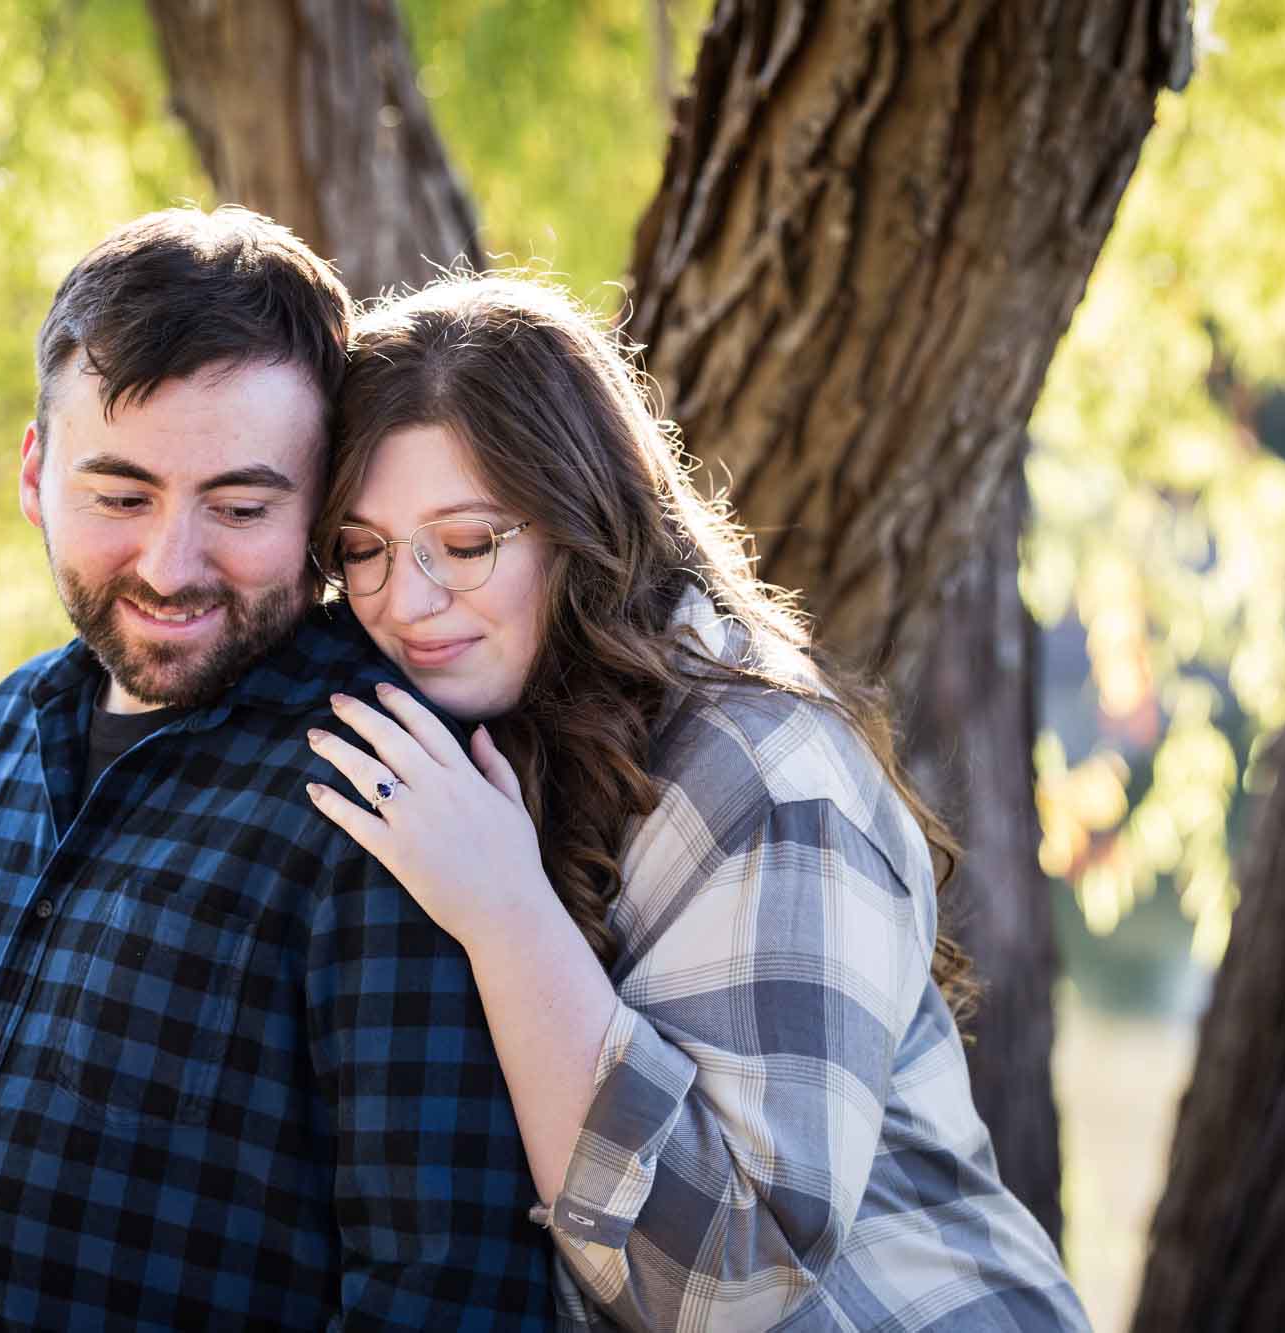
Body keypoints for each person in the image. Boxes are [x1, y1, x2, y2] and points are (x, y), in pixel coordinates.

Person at [304, 273, 1093, 1331]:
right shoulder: (475, 740)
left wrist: (505, 918)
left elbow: (730, 1276)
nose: (406, 599)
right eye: (362, 549)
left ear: (575, 521)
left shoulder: (761, 775)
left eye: (466, 541)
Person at [0, 211, 555, 1331]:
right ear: (35, 474)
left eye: (240, 507)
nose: (170, 565)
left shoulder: (382, 784)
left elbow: (445, 1291)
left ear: (322, 509)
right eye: (120, 495)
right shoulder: (3, 733)